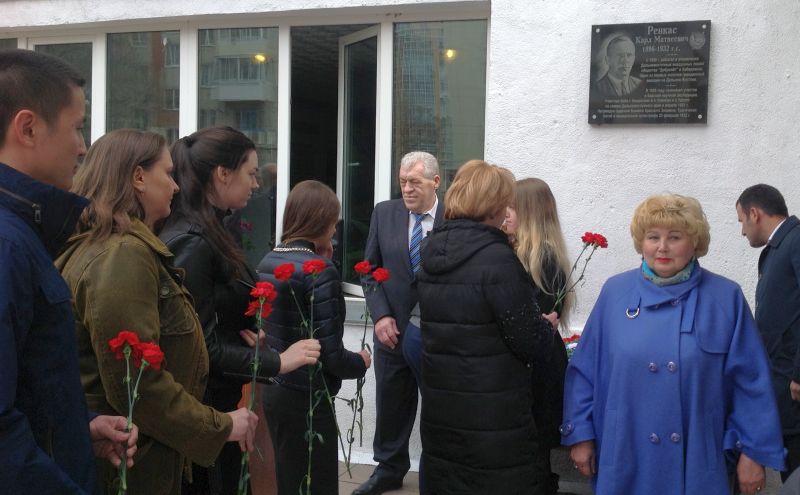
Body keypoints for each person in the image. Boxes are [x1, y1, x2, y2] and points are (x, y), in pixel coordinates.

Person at [55, 128, 259, 495]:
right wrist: (220, 426)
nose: (176, 186)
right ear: (138, 177)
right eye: (167, 174)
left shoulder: (119, 247)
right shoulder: (121, 254)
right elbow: (136, 384)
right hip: (134, 463)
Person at [563, 193, 785, 495]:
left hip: (698, 459)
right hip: (625, 453)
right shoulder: (615, 293)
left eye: (675, 237)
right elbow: (584, 372)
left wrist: (753, 453)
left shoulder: (725, 298)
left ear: (695, 242)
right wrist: (581, 434)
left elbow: (751, 383)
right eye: (653, 237)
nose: (662, 247)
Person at [0, 48, 137, 494]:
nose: (82, 147)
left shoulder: (23, 232)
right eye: (77, 127)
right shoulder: (7, 243)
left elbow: (26, 385)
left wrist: (79, 426)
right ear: (28, 128)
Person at [159, 126, 320, 494]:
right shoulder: (193, 241)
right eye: (251, 173)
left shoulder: (210, 229)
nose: (256, 184)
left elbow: (212, 319)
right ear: (222, 174)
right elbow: (197, 347)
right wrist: (279, 361)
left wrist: (240, 331)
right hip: (209, 413)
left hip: (220, 407)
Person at [417, 159, 556, 494]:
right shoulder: (497, 259)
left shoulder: (431, 251)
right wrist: (545, 327)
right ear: (494, 205)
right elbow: (529, 342)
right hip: (492, 414)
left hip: (443, 405)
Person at [257, 180, 371, 495]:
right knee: (316, 482)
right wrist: (360, 362)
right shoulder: (320, 270)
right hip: (308, 397)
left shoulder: (268, 260)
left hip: (275, 389)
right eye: (333, 223)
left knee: (288, 478)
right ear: (319, 221)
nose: (334, 231)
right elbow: (330, 354)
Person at [356, 151, 444, 495]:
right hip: (392, 331)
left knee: (439, 407)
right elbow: (368, 271)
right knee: (391, 403)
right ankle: (389, 469)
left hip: (436, 334)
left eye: (415, 182)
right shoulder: (384, 213)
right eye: (403, 181)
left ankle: (438, 473)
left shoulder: (453, 216)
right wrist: (380, 315)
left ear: (435, 182)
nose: (407, 188)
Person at [503, 177, 571, 495]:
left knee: (534, 449)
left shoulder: (544, 260)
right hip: (534, 362)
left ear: (530, 213)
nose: (504, 214)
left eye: (512, 207)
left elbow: (532, 324)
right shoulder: (520, 253)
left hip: (538, 369)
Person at [736, 184, 800, 480]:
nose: (742, 231)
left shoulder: (795, 241)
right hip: (785, 387)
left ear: (754, 213)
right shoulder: (780, 246)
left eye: (741, 221)